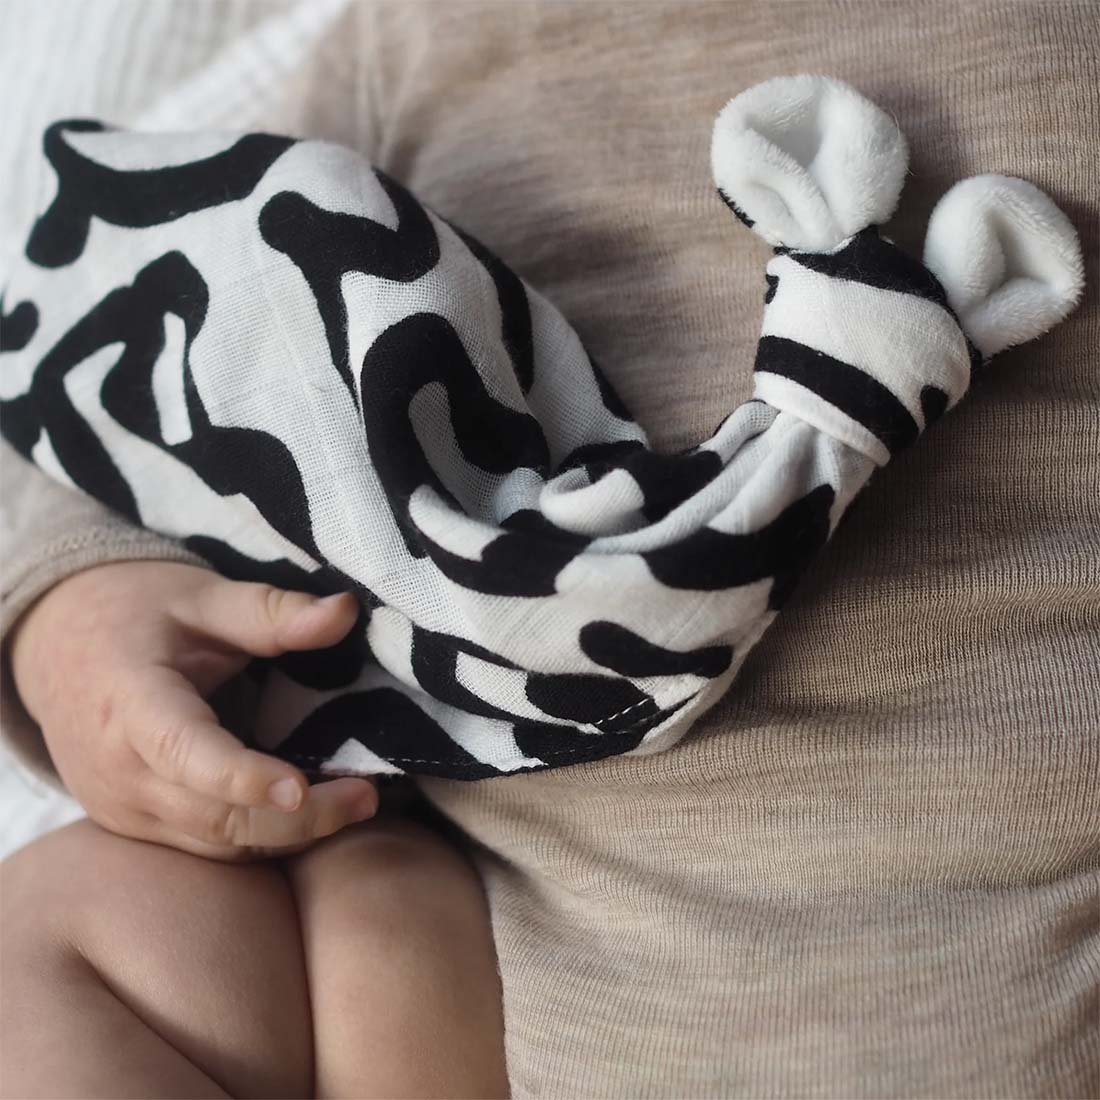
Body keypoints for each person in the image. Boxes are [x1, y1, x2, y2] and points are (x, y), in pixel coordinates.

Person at [2, 2, 1098, 1098]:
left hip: (987, 954)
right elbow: (186, 309)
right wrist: (88, 589)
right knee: (68, 936)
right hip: (468, 935)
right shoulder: (419, 33)